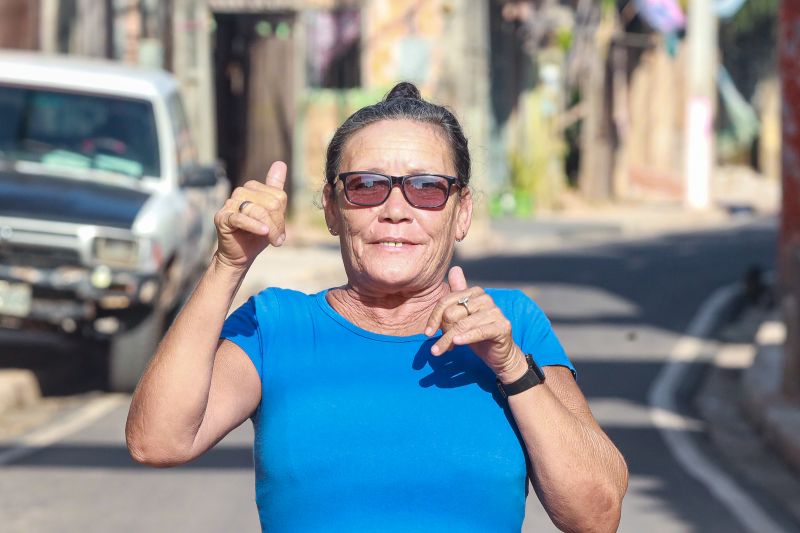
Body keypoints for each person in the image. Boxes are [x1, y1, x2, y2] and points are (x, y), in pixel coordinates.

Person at [126, 82, 628, 532]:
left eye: (427, 188)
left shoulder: (509, 326)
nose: (394, 210)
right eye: (366, 186)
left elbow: (597, 514)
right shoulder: (276, 325)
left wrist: (512, 367)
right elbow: (159, 441)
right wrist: (228, 264)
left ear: (463, 212)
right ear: (331, 208)